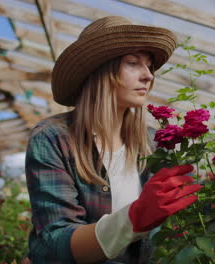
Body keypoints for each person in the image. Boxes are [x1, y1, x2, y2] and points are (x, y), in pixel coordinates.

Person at [24, 16, 202, 264]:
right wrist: (134, 217)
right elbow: (56, 242)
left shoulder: (154, 144)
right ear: (100, 71)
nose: (148, 75)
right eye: (133, 63)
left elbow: (200, 207)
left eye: (149, 65)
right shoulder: (54, 139)